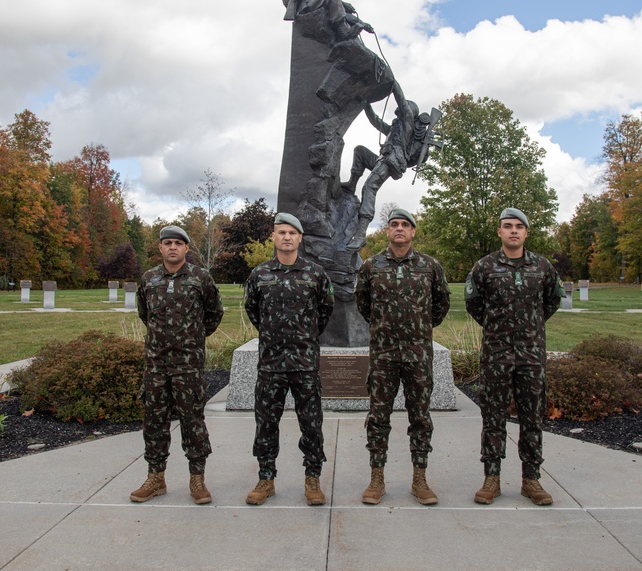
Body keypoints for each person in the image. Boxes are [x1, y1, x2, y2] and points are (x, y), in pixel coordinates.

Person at [464, 208, 564, 506]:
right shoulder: (485, 267)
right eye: (507, 226)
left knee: (531, 416)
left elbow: (552, 301)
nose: (513, 231)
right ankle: (491, 477)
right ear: (499, 232)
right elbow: (473, 303)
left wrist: (529, 327)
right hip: (496, 353)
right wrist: (497, 326)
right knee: (492, 416)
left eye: (519, 227)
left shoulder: (543, 267)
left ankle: (531, 479)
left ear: (526, 233)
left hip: (531, 355)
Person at [354, 208, 450, 505]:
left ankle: (419, 479)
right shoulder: (371, 266)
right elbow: (363, 305)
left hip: (418, 355)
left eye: (404, 225)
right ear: (387, 231)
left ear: (413, 231)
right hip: (383, 355)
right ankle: (376, 478)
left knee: (420, 417)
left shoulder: (429, 266)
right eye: (393, 224)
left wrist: (418, 329)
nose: (399, 229)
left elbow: (441, 304)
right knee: (378, 418)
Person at [243, 212, 335, 506]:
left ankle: (313, 478)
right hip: (271, 364)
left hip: (305, 363)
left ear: (300, 238)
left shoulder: (316, 274)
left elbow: (325, 312)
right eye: (281, 232)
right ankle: (265, 478)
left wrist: (304, 337)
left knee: (311, 423)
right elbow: (253, 311)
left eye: (291, 233)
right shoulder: (259, 274)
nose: (286, 237)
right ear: (273, 237)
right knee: (266, 422)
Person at [130, 225, 225, 504]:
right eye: (167, 243)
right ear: (160, 248)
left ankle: (197, 478)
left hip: (188, 365)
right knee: (154, 421)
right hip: (156, 365)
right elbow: (144, 313)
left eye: (178, 243)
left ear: (186, 249)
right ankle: (155, 477)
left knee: (192, 421)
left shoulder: (200, 278)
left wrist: (192, 338)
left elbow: (214, 313)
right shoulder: (149, 279)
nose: (173, 247)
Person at [343, 83, 433, 249]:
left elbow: (401, 100)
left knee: (370, 186)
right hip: (382, 159)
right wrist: (365, 103)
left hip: (392, 161)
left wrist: (392, 83)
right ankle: (351, 185)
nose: (397, 113)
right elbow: (375, 121)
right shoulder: (395, 128)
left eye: (401, 112)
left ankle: (361, 234)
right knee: (360, 151)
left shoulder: (407, 124)